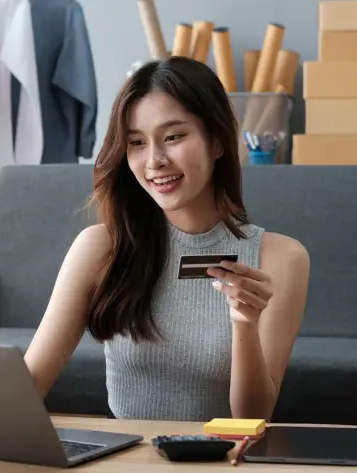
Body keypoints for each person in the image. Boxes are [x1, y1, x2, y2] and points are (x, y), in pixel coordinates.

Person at [23, 56, 310, 422]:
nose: (155, 160)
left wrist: (244, 323)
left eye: (173, 137)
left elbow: (251, 418)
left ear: (218, 141)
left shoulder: (281, 258)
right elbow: (32, 381)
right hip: (128, 459)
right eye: (137, 143)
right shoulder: (101, 248)